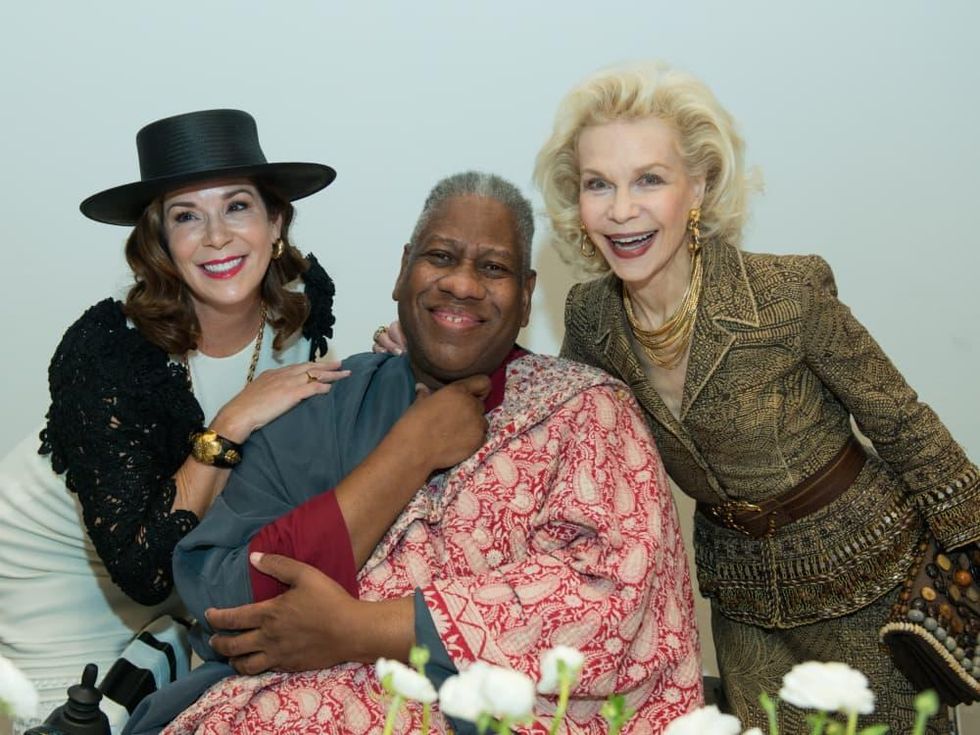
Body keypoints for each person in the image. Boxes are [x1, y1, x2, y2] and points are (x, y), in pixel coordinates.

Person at [126, 171, 701, 735]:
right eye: (442, 257)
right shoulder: (320, 406)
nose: (463, 284)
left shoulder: (587, 412)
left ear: (526, 298)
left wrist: (363, 629)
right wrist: (410, 452)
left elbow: (607, 601)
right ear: (403, 270)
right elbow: (224, 606)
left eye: (493, 268)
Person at [529, 62, 980, 732]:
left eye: (649, 178)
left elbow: (904, 423)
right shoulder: (593, 318)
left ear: (699, 185)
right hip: (742, 599)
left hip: (869, 582)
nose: (621, 209)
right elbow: (564, 423)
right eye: (599, 184)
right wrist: (430, 360)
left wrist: (973, 542)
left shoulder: (786, 293)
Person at [0, 109, 349, 733]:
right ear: (160, 242)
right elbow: (142, 568)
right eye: (187, 215)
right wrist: (231, 423)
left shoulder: (302, 317)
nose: (216, 236)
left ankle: (160, 651)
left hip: (191, 578)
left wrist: (410, 359)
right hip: (59, 571)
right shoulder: (107, 348)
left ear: (275, 221)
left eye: (237, 206)